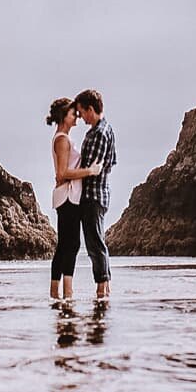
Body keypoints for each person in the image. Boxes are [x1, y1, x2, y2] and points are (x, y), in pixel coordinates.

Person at [47, 96, 104, 301]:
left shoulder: (63, 138)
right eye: (74, 114)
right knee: (70, 245)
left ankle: (57, 292)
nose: (77, 118)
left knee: (65, 245)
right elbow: (62, 173)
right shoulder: (62, 139)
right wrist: (90, 171)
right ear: (64, 116)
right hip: (68, 196)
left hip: (68, 195)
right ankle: (66, 293)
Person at [73, 88, 118, 302]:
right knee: (97, 242)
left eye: (82, 113)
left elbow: (92, 168)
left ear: (91, 109)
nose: (81, 118)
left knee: (95, 244)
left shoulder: (100, 132)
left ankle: (102, 289)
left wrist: (67, 175)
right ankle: (104, 288)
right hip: (98, 194)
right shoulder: (104, 130)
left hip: (93, 195)